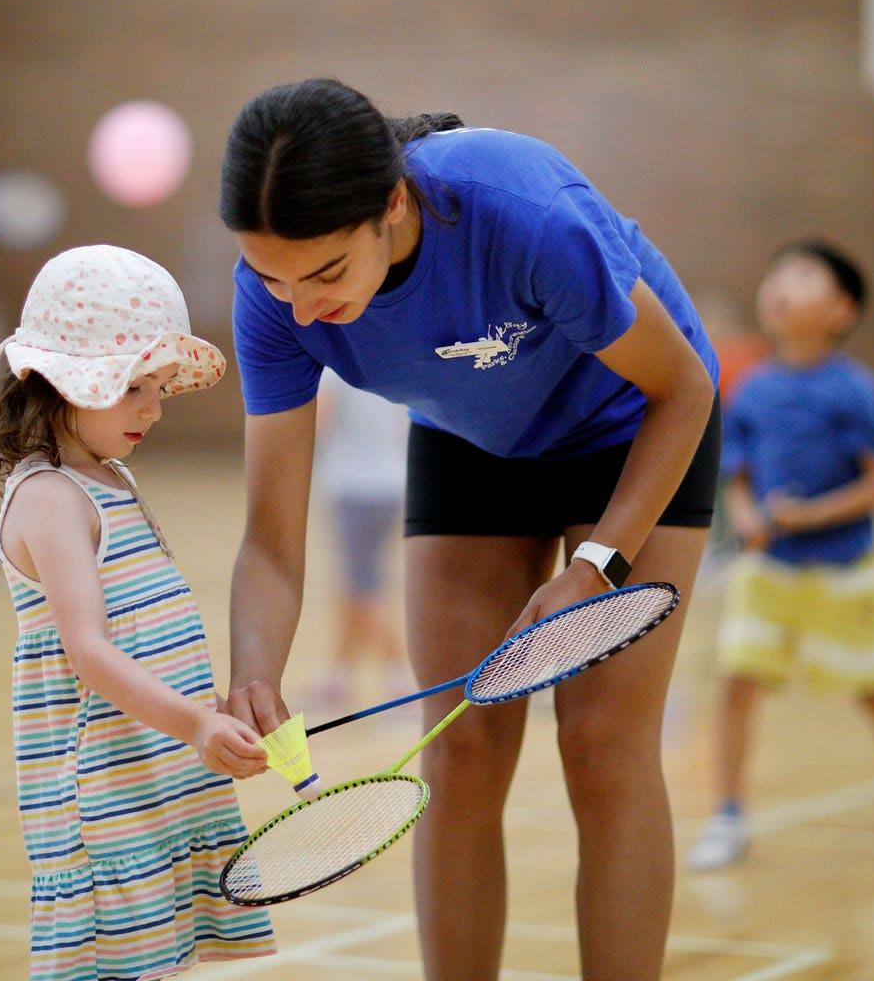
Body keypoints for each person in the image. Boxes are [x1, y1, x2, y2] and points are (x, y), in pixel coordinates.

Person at [219, 78, 720, 981]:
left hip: (631, 423)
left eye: (326, 274)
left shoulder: (522, 213)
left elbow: (682, 388)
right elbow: (271, 538)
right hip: (472, 439)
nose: (299, 308)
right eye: (271, 277)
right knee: (458, 753)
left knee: (601, 749)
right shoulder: (273, 302)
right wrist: (254, 674)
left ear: (391, 204)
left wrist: (596, 567)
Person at [0, 245, 276, 980]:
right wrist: (195, 725)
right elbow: (89, 651)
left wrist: (213, 714)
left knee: (166, 961)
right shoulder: (50, 497)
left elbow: (148, 637)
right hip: (106, 794)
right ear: (59, 381)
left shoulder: (110, 478)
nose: (153, 407)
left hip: (156, 773)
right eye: (132, 386)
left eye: (160, 387)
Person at [686, 240, 874, 871]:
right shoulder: (753, 390)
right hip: (767, 574)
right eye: (776, 275)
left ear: (841, 310)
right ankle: (727, 815)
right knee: (736, 685)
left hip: (844, 572)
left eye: (802, 276)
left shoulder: (853, 389)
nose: (779, 285)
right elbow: (736, 473)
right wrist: (746, 515)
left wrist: (810, 516)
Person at [304, 368, 410, 708]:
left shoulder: (333, 370)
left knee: (364, 588)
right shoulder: (383, 362)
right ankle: (339, 674)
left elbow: (315, 420)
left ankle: (401, 677)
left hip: (356, 486)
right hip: (389, 480)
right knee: (353, 584)